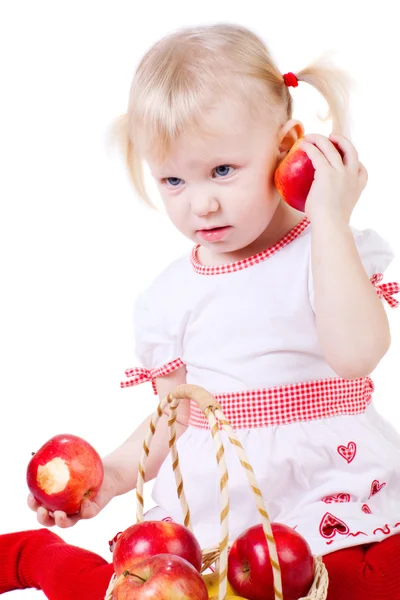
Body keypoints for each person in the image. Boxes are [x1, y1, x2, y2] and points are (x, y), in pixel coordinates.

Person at [1, 22, 400, 600]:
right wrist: (111, 475)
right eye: (173, 180)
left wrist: (330, 221)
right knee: (148, 590)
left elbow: (357, 356)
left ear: (288, 146)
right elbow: (174, 413)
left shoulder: (331, 249)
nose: (201, 203)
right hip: (223, 499)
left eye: (222, 171)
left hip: (330, 482)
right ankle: (39, 557)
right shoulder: (168, 298)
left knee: (362, 582)